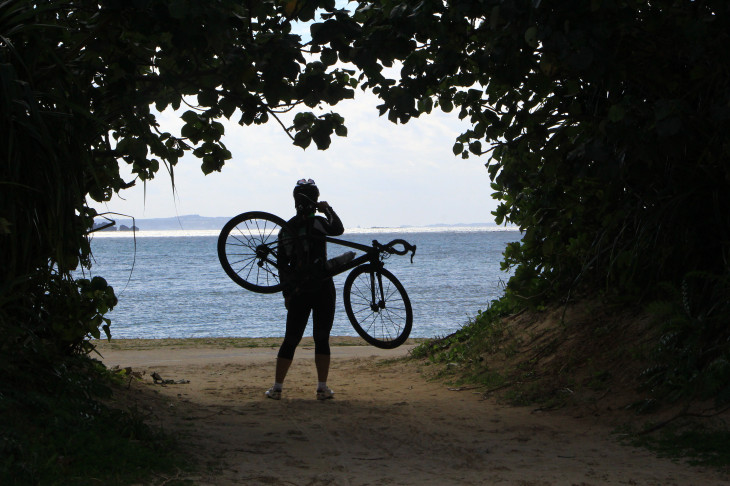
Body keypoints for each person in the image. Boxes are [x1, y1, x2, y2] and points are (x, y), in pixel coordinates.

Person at [266, 178, 344, 400]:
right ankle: (322, 387)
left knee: (291, 338)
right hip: (322, 285)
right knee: (321, 337)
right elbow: (338, 228)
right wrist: (327, 209)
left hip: (299, 288)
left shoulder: (287, 228)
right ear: (315, 199)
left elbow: (282, 264)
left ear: (294, 201)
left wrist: (286, 292)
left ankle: (277, 388)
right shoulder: (318, 222)